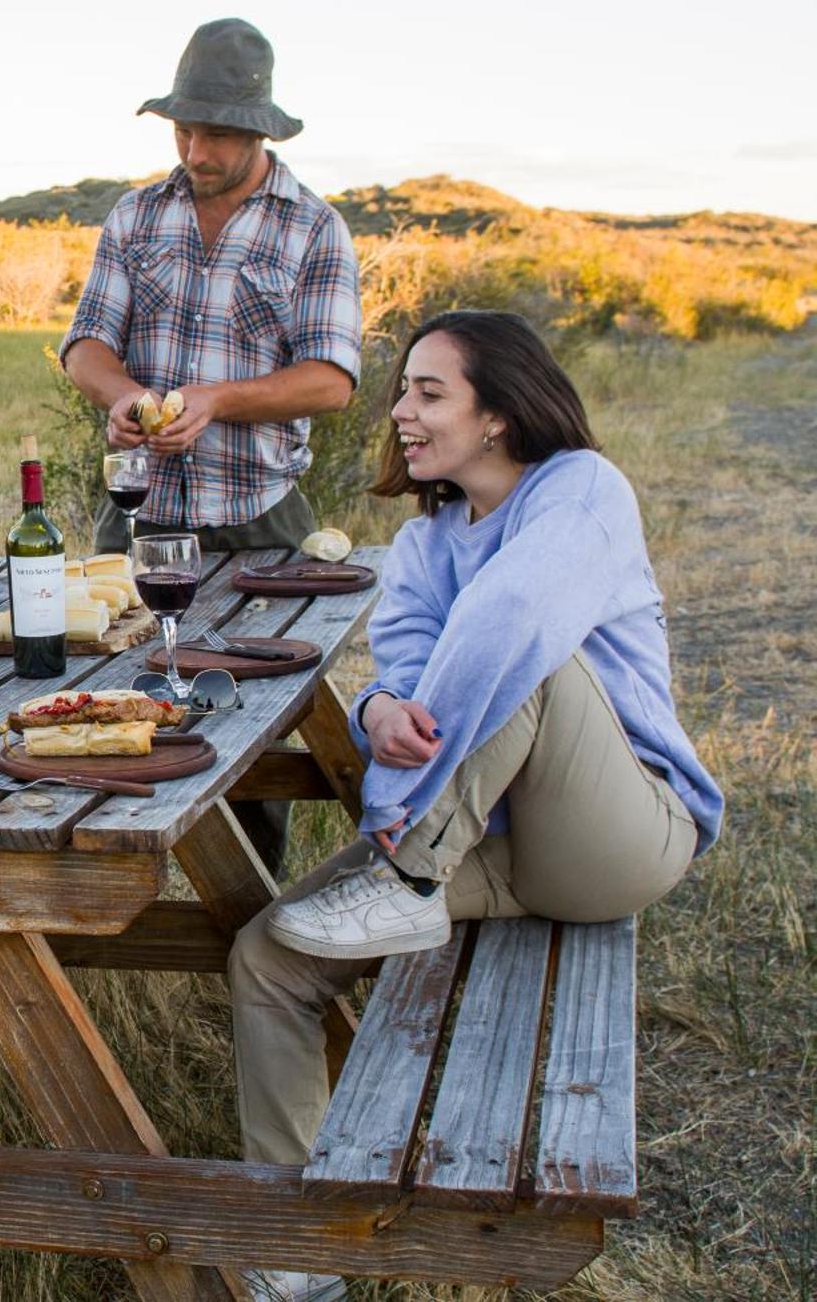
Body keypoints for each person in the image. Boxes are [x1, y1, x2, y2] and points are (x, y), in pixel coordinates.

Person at [226, 311, 724, 1302]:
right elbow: (405, 672)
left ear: (495, 412)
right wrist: (378, 710)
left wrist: (398, 828)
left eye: (425, 391)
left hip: (617, 832)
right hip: (483, 846)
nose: (398, 411)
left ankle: (405, 876)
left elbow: (510, 625)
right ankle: (299, 1243)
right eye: (401, 391)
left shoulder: (579, 490)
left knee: (524, 655)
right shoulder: (416, 543)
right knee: (268, 954)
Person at [61, 19, 362, 877]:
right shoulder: (135, 214)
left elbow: (332, 380)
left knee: (257, 723)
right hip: (139, 518)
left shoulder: (313, 228)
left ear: (261, 130)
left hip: (260, 520)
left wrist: (217, 401)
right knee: (108, 703)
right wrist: (122, 397)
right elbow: (86, 343)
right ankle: (107, 888)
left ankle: (251, 909)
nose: (194, 148)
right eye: (183, 129)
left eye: (216, 133)